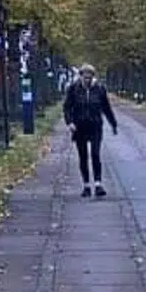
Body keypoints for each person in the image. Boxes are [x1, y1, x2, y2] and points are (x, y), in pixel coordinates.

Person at [63, 63, 118, 198]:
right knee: (83, 156)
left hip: (95, 126)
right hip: (79, 127)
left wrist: (113, 124)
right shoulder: (73, 89)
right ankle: (86, 185)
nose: (87, 80)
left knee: (95, 154)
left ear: (93, 76)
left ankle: (98, 184)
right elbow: (67, 107)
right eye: (85, 77)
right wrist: (70, 122)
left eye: (89, 77)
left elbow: (106, 107)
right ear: (81, 76)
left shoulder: (99, 89)